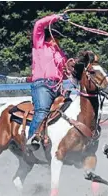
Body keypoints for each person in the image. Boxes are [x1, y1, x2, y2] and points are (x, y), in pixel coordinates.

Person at [26, 13, 70, 150]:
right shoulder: (40, 45)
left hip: (57, 87)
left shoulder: (61, 55)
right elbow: (39, 24)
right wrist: (58, 17)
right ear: (49, 37)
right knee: (42, 111)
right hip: (42, 84)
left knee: (67, 111)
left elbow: (65, 73)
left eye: (58, 38)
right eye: (55, 37)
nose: (57, 40)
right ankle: (32, 138)